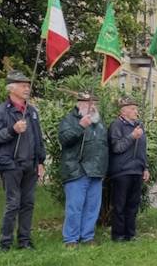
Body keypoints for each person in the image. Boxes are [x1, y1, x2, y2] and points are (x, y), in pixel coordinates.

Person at [0, 70, 46, 252]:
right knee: (13, 204)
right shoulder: (1, 111)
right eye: (23, 85)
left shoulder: (32, 111)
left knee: (28, 204)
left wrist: (40, 161)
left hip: (30, 164)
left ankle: (24, 241)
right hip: (11, 164)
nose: (27, 88)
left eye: (28, 85)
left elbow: (37, 138)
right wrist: (12, 130)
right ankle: (5, 243)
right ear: (11, 89)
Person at [58, 92, 108, 248]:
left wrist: (103, 170)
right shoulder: (69, 120)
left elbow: (104, 148)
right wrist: (81, 126)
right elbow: (64, 139)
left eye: (94, 104)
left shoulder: (99, 123)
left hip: (96, 171)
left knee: (92, 207)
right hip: (76, 170)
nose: (92, 107)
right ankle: (71, 239)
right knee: (74, 207)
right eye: (88, 104)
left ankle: (87, 237)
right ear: (79, 104)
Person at [108, 97, 149, 242]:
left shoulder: (139, 126)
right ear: (123, 111)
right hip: (122, 171)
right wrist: (132, 136)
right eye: (132, 108)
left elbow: (143, 149)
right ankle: (118, 235)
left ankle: (130, 234)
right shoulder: (116, 125)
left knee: (133, 205)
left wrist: (145, 167)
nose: (135, 111)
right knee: (119, 205)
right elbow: (117, 147)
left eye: (136, 108)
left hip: (137, 170)